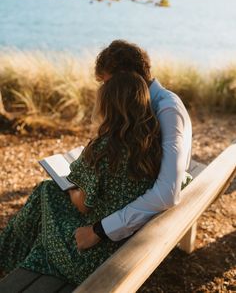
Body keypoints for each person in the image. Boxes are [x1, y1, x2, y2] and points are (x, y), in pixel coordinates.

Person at [0, 71, 163, 285]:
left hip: (89, 256)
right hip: (123, 244)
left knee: (46, 191)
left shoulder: (105, 148)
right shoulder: (152, 146)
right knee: (46, 199)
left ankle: (6, 257)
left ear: (110, 106)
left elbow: (83, 204)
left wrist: (70, 189)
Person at [74, 40, 192, 249]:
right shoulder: (137, 109)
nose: (104, 89)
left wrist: (100, 229)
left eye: (106, 82)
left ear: (125, 78)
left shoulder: (166, 109)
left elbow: (167, 193)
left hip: (142, 221)